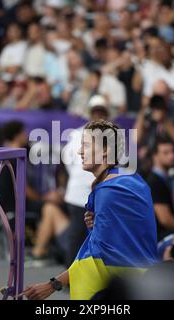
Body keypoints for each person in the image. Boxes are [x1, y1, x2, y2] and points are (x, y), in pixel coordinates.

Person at [23, 120, 158, 300]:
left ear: (105, 151)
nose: (79, 151)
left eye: (85, 145)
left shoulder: (109, 192)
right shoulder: (129, 180)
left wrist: (53, 284)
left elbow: (95, 256)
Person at [62, 94, 110, 267]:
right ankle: (69, 275)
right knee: (77, 235)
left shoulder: (113, 137)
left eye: (101, 112)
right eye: (95, 112)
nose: (98, 115)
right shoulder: (76, 135)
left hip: (99, 195)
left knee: (96, 237)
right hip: (78, 195)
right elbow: (68, 160)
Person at [145, 135, 174, 241]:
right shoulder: (155, 181)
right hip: (159, 240)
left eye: (173, 152)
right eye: (166, 153)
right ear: (155, 156)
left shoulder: (161, 179)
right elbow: (165, 219)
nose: (172, 156)